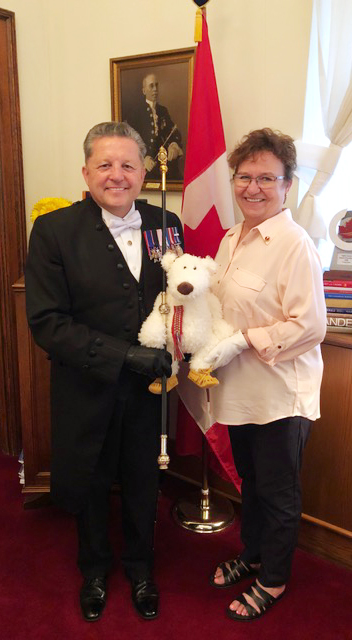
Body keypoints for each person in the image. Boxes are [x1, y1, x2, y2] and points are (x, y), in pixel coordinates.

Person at [25, 121, 183, 623]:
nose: (117, 175)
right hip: (85, 384)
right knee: (91, 479)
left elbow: (181, 299)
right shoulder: (53, 230)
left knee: (144, 479)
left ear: (143, 173)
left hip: (150, 388)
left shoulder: (166, 222)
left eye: (128, 165)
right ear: (86, 172)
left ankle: (141, 568)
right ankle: (93, 569)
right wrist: (124, 356)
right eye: (105, 165)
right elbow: (47, 323)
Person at [203, 128, 326, 621]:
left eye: (267, 178)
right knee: (251, 483)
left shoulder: (295, 244)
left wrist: (243, 340)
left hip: (279, 396)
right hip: (239, 393)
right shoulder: (232, 237)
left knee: (277, 494)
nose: (253, 188)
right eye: (244, 177)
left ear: (287, 184)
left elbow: (310, 325)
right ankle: (252, 555)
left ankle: (273, 579)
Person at [125, 73, 183, 180]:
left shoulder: (163, 111)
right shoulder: (136, 112)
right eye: (151, 86)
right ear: (144, 91)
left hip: (162, 165)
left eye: (156, 85)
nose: (155, 89)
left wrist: (174, 145)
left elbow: (174, 133)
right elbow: (128, 141)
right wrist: (143, 158)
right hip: (145, 167)